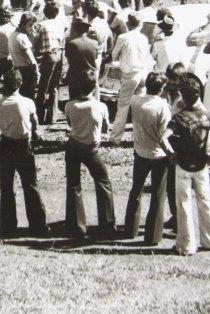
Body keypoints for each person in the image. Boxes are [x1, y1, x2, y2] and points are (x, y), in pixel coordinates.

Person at [168, 77, 210, 256]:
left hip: (183, 165)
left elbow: (163, 137)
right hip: (202, 165)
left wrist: (171, 154)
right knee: (205, 201)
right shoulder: (207, 116)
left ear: (182, 97)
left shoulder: (179, 117)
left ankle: (186, 245)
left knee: (184, 203)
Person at [0, 68, 49, 237]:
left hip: (6, 144)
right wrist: (35, 132)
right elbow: (34, 121)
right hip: (23, 145)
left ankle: (8, 227)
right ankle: (38, 225)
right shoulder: (27, 102)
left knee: (7, 187)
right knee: (30, 185)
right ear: (20, 84)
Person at [63, 69, 115, 238]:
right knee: (103, 182)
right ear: (94, 87)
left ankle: (76, 226)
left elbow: (70, 124)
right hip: (91, 148)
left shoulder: (70, 105)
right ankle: (107, 224)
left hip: (73, 146)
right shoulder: (101, 106)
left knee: (74, 184)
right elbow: (106, 128)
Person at [124, 72, 174, 246]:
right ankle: (152, 236)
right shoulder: (163, 107)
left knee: (136, 190)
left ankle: (129, 229)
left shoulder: (135, 101)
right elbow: (164, 135)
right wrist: (172, 155)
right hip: (158, 155)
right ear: (161, 89)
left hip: (140, 151)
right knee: (158, 195)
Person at [111, 13, 152, 144]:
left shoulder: (123, 37)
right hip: (142, 72)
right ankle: (139, 137)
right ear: (140, 24)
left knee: (123, 106)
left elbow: (114, 54)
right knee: (140, 107)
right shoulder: (143, 38)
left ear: (128, 24)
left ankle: (115, 138)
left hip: (130, 73)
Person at [34, 2, 65, 125]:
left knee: (43, 86)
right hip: (59, 54)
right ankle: (52, 116)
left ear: (45, 13)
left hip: (48, 55)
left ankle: (39, 115)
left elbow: (36, 42)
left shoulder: (41, 25)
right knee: (54, 86)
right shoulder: (60, 25)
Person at [65, 17, 100, 101]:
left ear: (76, 29)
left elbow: (69, 59)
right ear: (87, 30)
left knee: (74, 102)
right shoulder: (95, 43)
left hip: (76, 77)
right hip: (90, 77)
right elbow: (95, 58)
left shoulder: (72, 43)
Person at [9, 12, 39, 106]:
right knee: (29, 98)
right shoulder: (22, 37)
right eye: (30, 25)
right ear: (23, 24)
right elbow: (32, 60)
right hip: (27, 71)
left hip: (17, 68)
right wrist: (37, 72)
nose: (31, 27)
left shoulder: (13, 34)